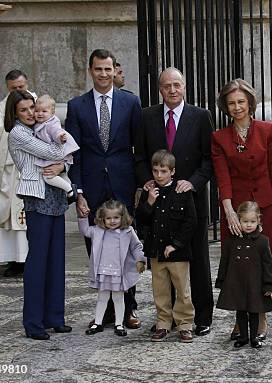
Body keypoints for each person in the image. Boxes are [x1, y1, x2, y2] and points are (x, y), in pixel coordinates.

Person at [134, 67, 214, 336]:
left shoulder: (201, 116)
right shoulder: (146, 116)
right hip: (159, 207)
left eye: (176, 85)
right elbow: (140, 156)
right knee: (164, 265)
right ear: (160, 89)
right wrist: (146, 181)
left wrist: (193, 182)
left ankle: (202, 317)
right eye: (167, 85)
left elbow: (208, 159)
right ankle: (166, 319)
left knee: (198, 261)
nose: (172, 90)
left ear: (185, 87)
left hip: (191, 202)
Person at [66, 49, 143, 330]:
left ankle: (129, 308)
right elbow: (72, 153)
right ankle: (108, 310)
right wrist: (78, 191)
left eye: (108, 69)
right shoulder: (77, 106)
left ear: (114, 70)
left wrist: (138, 185)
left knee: (125, 246)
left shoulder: (130, 102)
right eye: (98, 69)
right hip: (92, 185)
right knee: (97, 249)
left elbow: (139, 148)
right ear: (91, 71)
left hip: (123, 184)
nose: (103, 74)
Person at [211, 79, 272, 340]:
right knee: (237, 267)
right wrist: (229, 212)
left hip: (263, 207)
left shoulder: (267, 130)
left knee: (260, 265)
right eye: (231, 103)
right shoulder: (219, 138)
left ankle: (261, 316)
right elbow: (223, 178)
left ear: (250, 103)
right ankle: (240, 319)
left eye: (241, 101)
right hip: (237, 211)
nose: (237, 107)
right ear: (225, 107)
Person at [6, 90, 71, 340]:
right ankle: (33, 322)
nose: (31, 113)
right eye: (23, 110)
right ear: (15, 113)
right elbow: (56, 152)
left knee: (56, 259)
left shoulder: (40, 126)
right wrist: (64, 156)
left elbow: (61, 157)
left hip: (54, 194)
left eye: (32, 108)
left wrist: (64, 163)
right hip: (36, 197)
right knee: (38, 260)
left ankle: (55, 317)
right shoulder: (18, 133)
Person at [135, 150, 198, 343]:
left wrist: (176, 244)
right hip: (156, 250)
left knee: (182, 290)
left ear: (172, 171)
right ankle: (163, 323)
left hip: (177, 252)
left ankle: (185, 324)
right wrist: (150, 203)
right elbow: (141, 219)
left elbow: (190, 222)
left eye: (163, 171)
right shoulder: (149, 191)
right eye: (155, 171)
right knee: (160, 290)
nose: (159, 175)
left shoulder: (181, 191)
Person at [0, 69, 35, 277]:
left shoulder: (33, 102)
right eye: (14, 88)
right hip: (9, 169)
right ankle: (14, 259)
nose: (18, 90)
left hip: (28, 169)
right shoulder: (1, 107)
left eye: (21, 87)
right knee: (8, 211)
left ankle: (29, 258)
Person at [80, 200, 146, 337]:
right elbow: (85, 231)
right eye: (108, 218)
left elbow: (136, 246)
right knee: (102, 297)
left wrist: (140, 259)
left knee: (118, 297)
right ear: (102, 218)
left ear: (122, 217)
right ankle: (98, 323)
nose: (112, 221)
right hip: (103, 271)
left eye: (116, 217)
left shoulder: (127, 231)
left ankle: (119, 323)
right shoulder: (97, 231)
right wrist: (82, 216)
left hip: (119, 272)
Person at [215, 201, 272, 349]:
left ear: (259, 220)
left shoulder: (262, 241)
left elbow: (268, 265)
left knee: (254, 310)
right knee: (240, 310)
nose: (249, 225)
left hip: (255, 283)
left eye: (252, 221)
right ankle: (243, 336)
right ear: (239, 220)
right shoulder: (232, 241)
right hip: (237, 281)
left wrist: (268, 284)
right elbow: (225, 261)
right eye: (245, 221)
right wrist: (221, 280)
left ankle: (254, 337)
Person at [33, 95, 79, 200]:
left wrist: (60, 138)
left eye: (44, 111)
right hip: (55, 156)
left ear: (52, 113)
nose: (40, 114)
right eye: (37, 111)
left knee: (47, 176)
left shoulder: (51, 124)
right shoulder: (40, 123)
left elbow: (56, 132)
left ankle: (69, 190)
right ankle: (71, 187)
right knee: (62, 175)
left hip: (56, 154)